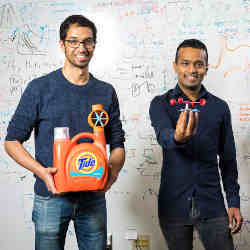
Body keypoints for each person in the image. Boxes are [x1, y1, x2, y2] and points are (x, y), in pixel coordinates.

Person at [4, 15, 125, 250]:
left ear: (94, 45)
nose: (82, 48)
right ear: (62, 45)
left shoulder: (105, 92)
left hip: (93, 198)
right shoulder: (40, 88)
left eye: (88, 41)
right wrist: (42, 172)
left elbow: (117, 144)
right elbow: (11, 141)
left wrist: (114, 170)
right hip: (51, 197)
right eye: (73, 41)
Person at [149, 39, 243, 250]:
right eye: (185, 63)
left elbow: (228, 160)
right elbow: (163, 136)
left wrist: (234, 202)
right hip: (173, 204)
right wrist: (177, 137)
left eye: (198, 64)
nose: (192, 69)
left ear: (206, 69)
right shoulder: (160, 104)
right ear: (175, 66)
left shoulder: (219, 108)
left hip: (212, 204)